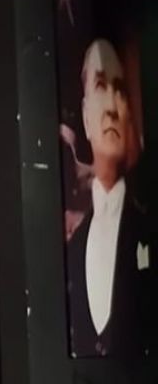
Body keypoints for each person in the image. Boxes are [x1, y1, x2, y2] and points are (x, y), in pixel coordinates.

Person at [65, 38, 149, 358]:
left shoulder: (147, 229)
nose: (113, 106)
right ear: (86, 118)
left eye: (121, 90)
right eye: (101, 86)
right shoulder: (74, 248)